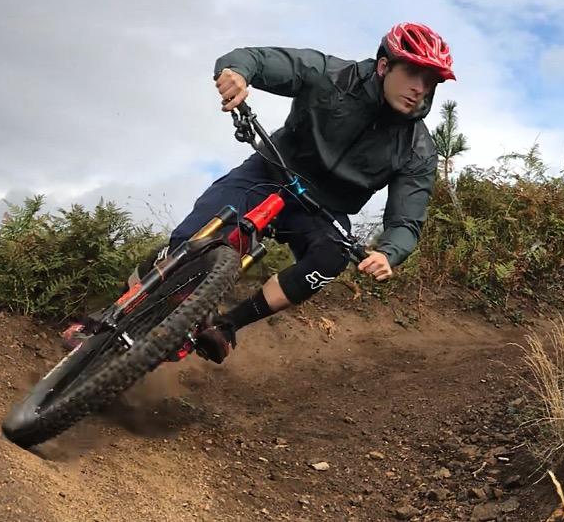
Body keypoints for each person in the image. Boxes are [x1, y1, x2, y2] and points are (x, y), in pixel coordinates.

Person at [155, 22, 454, 363]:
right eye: (413, 72)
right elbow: (256, 59)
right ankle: (103, 324)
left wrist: (388, 253)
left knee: (332, 257)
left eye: (431, 80)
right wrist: (237, 72)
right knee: (194, 237)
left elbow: (406, 219)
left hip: (321, 210)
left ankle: (226, 326)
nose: (420, 88)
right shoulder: (331, 75)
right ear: (385, 65)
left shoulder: (418, 149)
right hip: (270, 172)